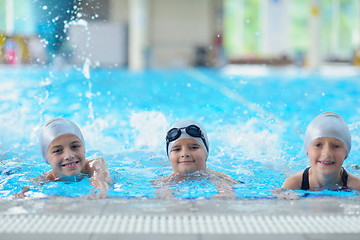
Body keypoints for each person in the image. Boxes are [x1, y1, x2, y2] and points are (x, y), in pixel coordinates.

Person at [13, 117, 111, 199]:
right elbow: (30, 186)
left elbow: (100, 179)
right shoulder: (49, 177)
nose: (69, 156)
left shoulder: (95, 164)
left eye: (75, 146)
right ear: (46, 159)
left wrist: (100, 191)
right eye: (57, 151)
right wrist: (21, 194)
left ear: (84, 148)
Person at [152, 119, 238, 199]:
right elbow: (164, 199)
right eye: (177, 149)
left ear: (206, 153)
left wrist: (225, 194)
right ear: (169, 156)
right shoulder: (163, 182)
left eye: (193, 147)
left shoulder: (221, 178)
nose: (184, 154)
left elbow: (227, 196)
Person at [282, 112, 360, 191]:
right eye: (318, 145)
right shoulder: (292, 184)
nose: (327, 153)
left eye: (336, 146)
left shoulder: (356, 186)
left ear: (346, 153)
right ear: (307, 151)